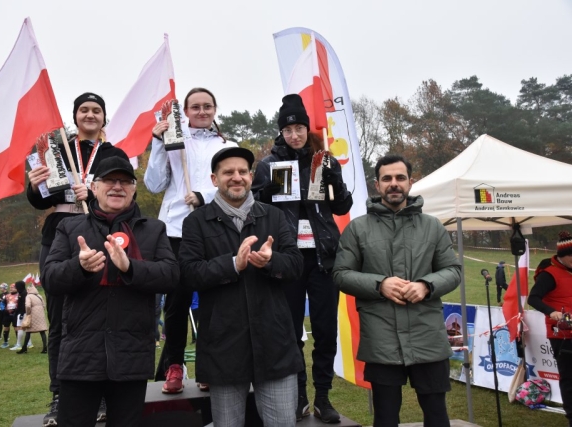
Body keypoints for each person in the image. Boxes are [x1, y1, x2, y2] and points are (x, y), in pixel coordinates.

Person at [43, 156, 179, 426]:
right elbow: (50, 279)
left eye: (125, 181)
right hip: (80, 358)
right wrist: (79, 267)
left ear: (134, 189)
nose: (117, 186)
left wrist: (131, 268)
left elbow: (171, 276)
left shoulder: (153, 229)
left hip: (131, 358)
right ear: (94, 187)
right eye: (109, 180)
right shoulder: (70, 228)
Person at [333, 154, 461, 427]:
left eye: (400, 178)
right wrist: (380, 284)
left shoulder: (433, 226)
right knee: (386, 416)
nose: (394, 184)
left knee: (437, 414)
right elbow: (341, 275)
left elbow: (453, 271)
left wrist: (426, 286)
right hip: (381, 338)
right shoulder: (358, 229)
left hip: (427, 335)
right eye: (387, 178)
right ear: (376, 185)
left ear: (410, 183)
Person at [179, 147, 304, 426]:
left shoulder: (273, 216)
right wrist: (234, 264)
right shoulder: (196, 222)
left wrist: (272, 262)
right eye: (228, 172)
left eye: (242, 172)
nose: (236, 178)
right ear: (214, 179)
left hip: (275, 345)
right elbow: (189, 274)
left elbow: (296, 265)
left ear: (251, 176)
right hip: (224, 346)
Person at [26, 92, 130, 425]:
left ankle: (100, 393)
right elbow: (41, 200)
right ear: (75, 116)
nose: (90, 115)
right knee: (58, 319)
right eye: (83, 110)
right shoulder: (56, 150)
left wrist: (96, 194)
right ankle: (59, 394)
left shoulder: (114, 153)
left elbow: (127, 197)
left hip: (101, 230)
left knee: (100, 315)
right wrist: (33, 186)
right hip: (60, 231)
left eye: (96, 110)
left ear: (104, 117)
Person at [251, 94, 352, 422]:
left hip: (323, 257)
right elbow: (255, 208)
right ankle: (298, 395)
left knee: (325, 330)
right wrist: (266, 194)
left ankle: (323, 396)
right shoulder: (269, 164)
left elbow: (341, 208)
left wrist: (335, 179)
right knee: (290, 331)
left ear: (307, 128)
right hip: (288, 259)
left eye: (299, 128)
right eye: (288, 129)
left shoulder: (323, 160)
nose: (294, 134)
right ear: (281, 132)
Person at [145, 87, 237, 393]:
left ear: (215, 109)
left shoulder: (227, 145)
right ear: (185, 111)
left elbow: (236, 184)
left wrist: (204, 195)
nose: (201, 111)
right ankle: (174, 364)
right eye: (195, 107)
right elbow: (154, 184)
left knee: (213, 300)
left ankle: (210, 364)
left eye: (207, 106)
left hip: (214, 227)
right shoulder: (174, 140)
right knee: (177, 302)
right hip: (175, 230)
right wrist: (159, 144)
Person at [528, 230, 572, 427]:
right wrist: (552, 312)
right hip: (562, 334)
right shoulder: (549, 274)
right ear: (564, 256)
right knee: (569, 378)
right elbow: (533, 298)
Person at [17, 284, 48, 354]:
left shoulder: (28, 296)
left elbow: (28, 306)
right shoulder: (39, 296)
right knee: (42, 331)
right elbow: (44, 305)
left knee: (28, 331)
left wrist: (28, 313)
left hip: (33, 314)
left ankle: (24, 348)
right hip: (41, 315)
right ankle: (45, 347)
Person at [10, 281, 30, 351]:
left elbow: (24, 305)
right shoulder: (22, 293)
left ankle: (19, 344)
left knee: (20, 328)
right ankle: (29, 343)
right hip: (22, 313)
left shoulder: (23, 294)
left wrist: (21, 313)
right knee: (26, 329)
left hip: (23, 313)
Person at [0, 282, 18, 349]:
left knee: (16, 328)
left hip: (15, 314)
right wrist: (4, 310)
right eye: (10, 288)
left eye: (12, 288)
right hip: (7, 314)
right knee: (6, 327)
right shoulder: (7, 296)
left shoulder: (18, 295)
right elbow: (2, 303)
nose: (11, 289)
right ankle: (5, 342)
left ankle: (18, 342)